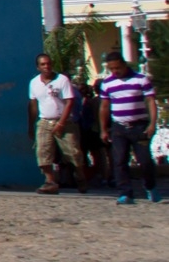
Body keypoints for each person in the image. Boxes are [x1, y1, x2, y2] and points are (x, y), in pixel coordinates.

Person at [94, 53, 160, 205]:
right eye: (111, 69)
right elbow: (104, 107)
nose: (115, 71)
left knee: (145, 161)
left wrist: (152, 123)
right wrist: (103, 129)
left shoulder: (140, 79)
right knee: (119, 160)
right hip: (119, 128)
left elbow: (150, 101)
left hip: (139, 126)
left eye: (117, 67)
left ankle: (150, 186)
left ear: (124, 64)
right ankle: (125, 193)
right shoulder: (107, 84)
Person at [30, 53, 83, 193]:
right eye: (43, 64)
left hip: (64, 121)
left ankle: (81, 176)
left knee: (73, 153)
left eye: (48, 63)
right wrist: (31, 125)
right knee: (43, 151)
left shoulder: (62, 80)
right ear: (38, 67)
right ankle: (50, 181)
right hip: (44, 121)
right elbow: (33, 105)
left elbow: (69, 101)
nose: (46, 66)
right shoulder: (34, 83)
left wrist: (61, 123)